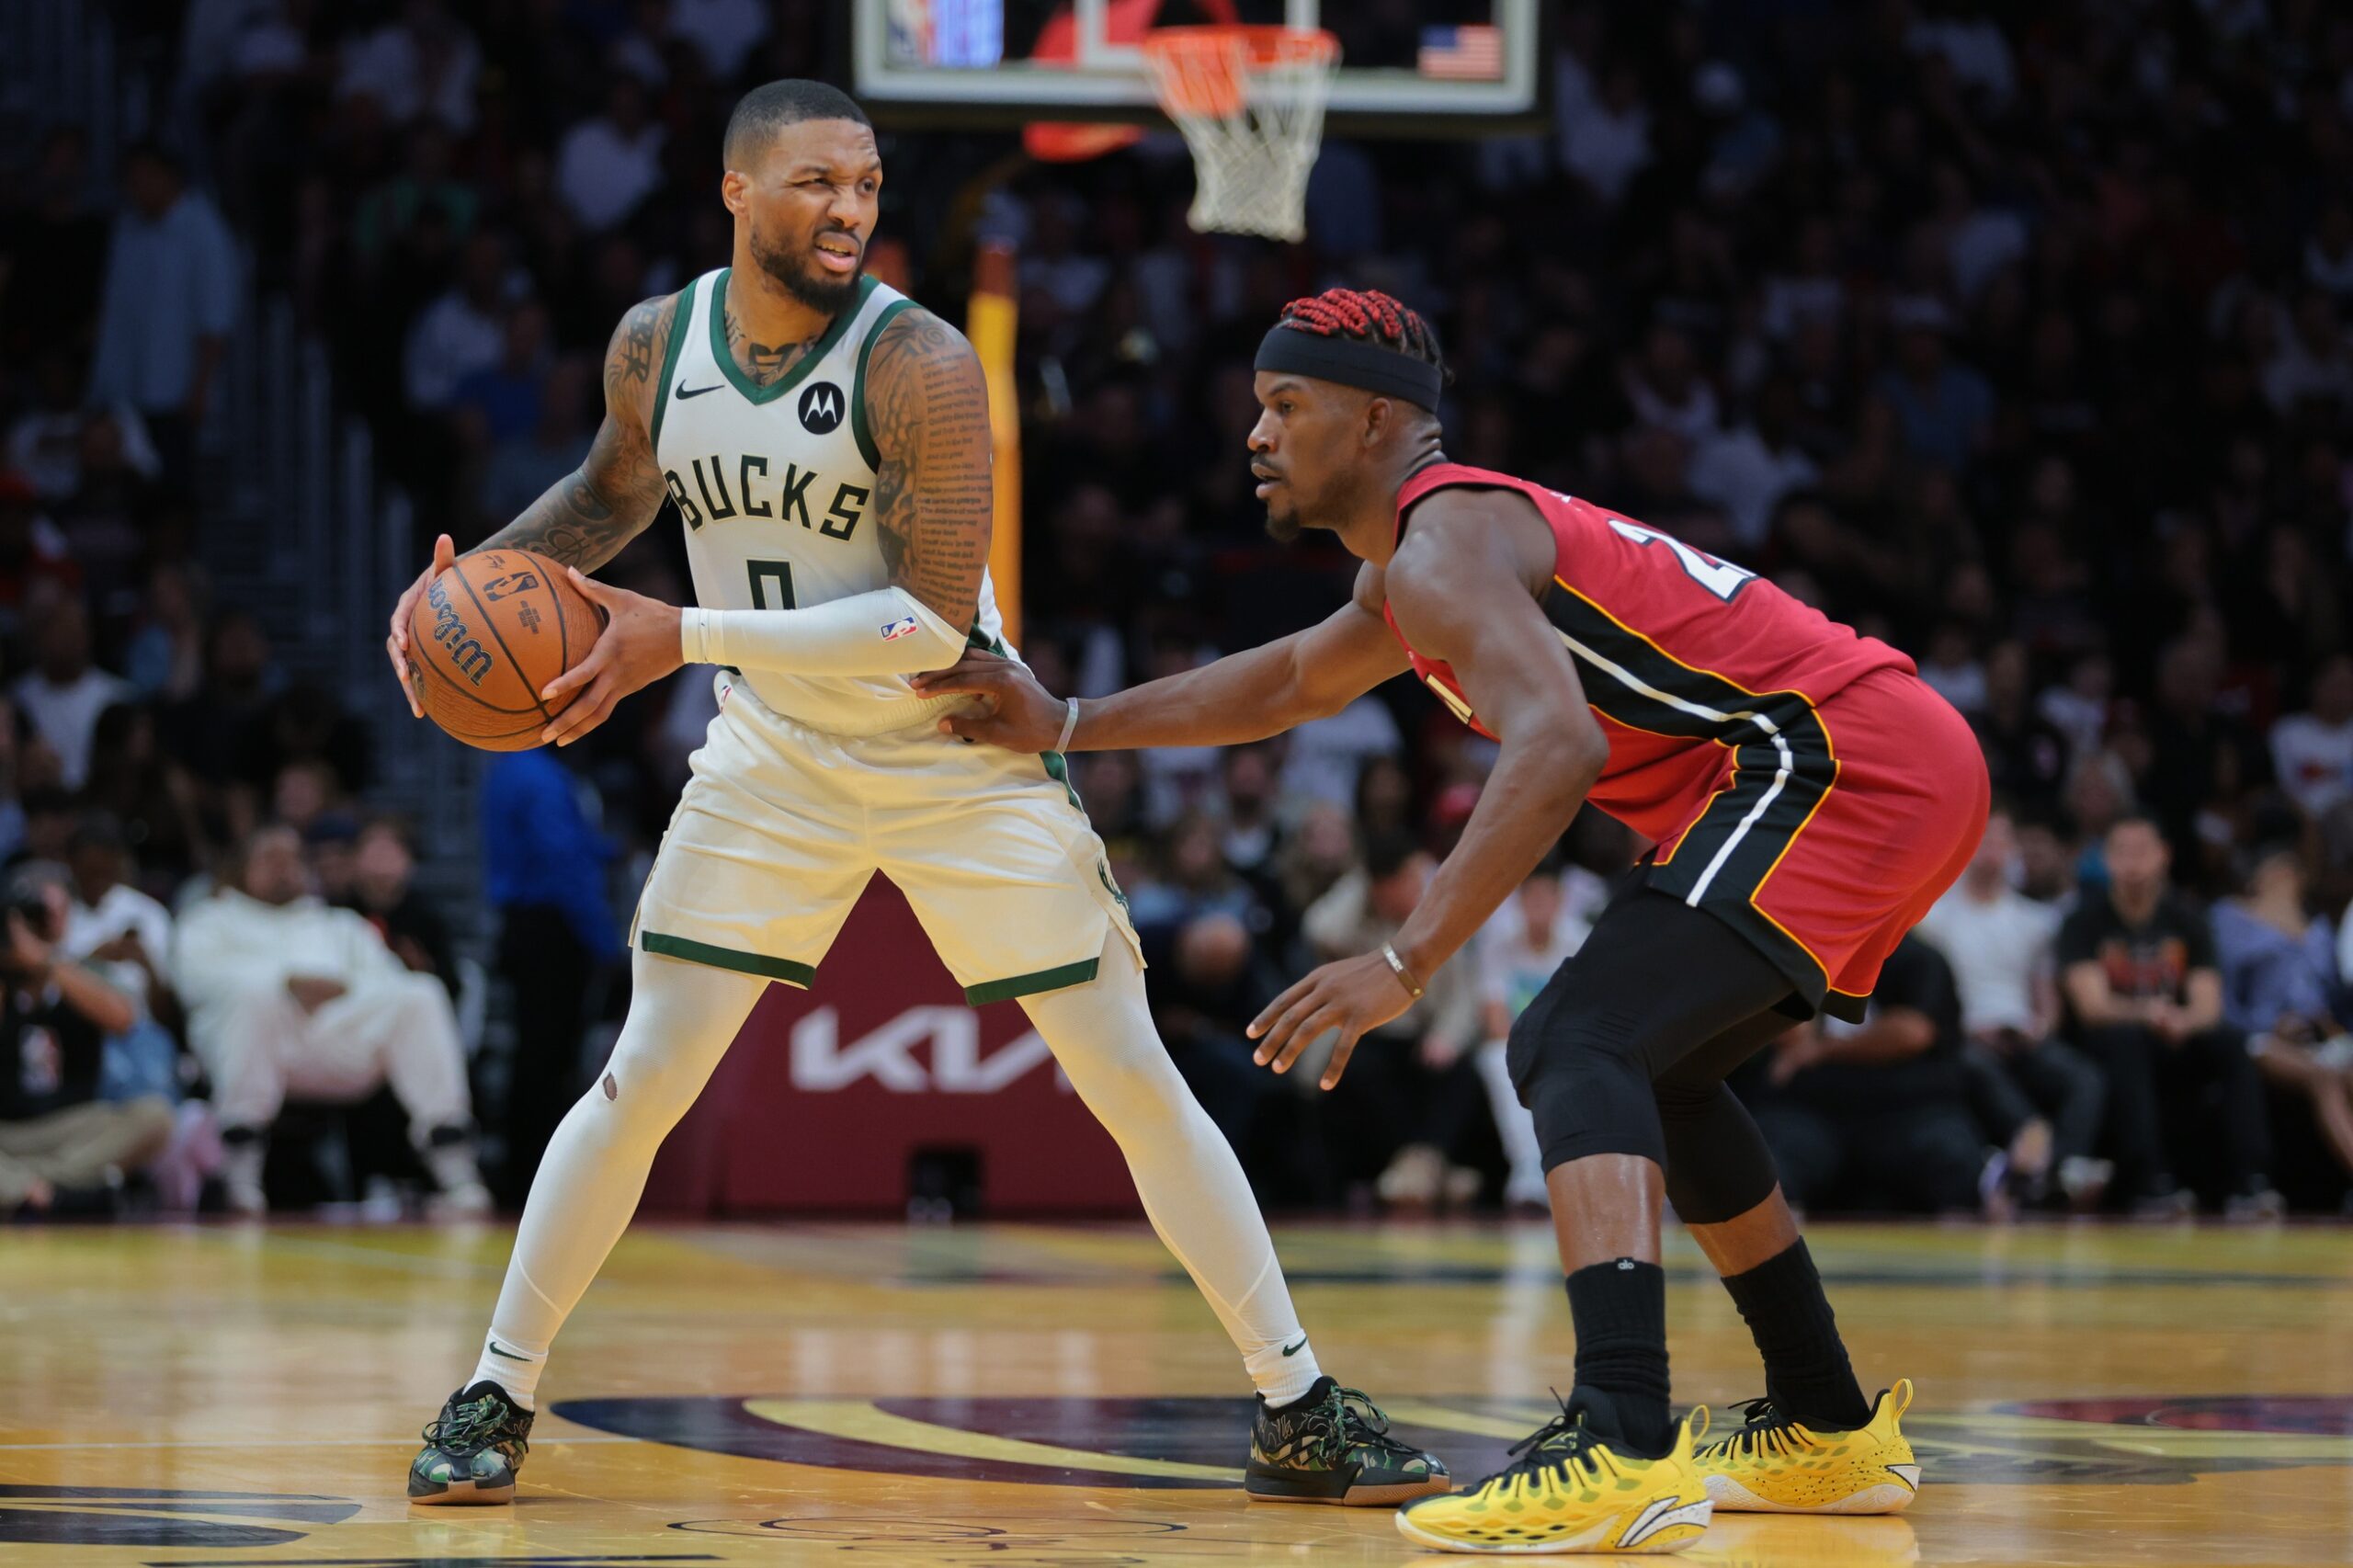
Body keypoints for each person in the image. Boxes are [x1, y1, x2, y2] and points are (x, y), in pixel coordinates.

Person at [382, 85, 1445, 1512]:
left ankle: (1298, 1403)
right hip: (774, 761)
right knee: (643, 1078)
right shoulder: (659, 342)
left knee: (1127, 1076)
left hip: (958, 749)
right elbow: (607, 494)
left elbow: (931, 625)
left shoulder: (922, 364)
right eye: (816, 181)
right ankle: (498, 1387)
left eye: (869, 185)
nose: (849, 211)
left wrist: (675, 640)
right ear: (737, 193)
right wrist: (455, 590)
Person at [921, 287, 1988, 1551]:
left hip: (1836, 761)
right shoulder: (1418, 562)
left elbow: (1559, 742)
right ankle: (1825, 1428)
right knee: (1664, 1075)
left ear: (1375, 423)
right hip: (1858, 759)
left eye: (1285, 405)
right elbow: (1287, 679)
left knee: (1575, 1040)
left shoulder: (1444, 549)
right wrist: (1073, 721)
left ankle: (1622, 1439)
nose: (1255, 433)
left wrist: (1404, 956)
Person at [171, 826, 490, 1217]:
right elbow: (192, 981)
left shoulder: (338, 924)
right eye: (271, 859)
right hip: (258, 1042)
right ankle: (241, 1178)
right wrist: (284, 983)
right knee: (254, 999)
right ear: (242, 867)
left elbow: (387, 980)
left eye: (291, 860)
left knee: (420, 994)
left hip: (337, 1043)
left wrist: (338, 989)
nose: (283, 869)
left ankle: (455, 1170)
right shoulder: (210, 920)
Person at [2055, 816, 2278, 1218]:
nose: (2132, 863)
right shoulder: (2083, 920)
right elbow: (2093, 1007)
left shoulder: (2187, 918)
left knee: (2230, 1042)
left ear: (2164, 856)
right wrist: (2150, 1013)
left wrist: (2181, 1021)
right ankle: (2150, 1181)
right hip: (2109, 1041)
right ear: (2106, 860)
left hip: (2174, 1036)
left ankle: (2250, 1181)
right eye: (2122, 852)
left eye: (2142, 851)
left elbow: (2208, 1006)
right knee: (2126, 1040)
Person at [1915, 806, 2106, 1207]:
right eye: (1984, 837)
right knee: (1974, 1064)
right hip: (1964, 1036)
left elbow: (2047, 1001)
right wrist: (1965, 1030)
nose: (1992, 847)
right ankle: (2031, 1135)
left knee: (2083, 1078)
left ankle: (2059, 1172)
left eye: (2001, 837)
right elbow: (1930, 998)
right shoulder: (1933, 917)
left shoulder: (2037, 921)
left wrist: (2039, 1030)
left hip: (2020, 1033)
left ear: (2014, 847)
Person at [1746, 934, 1991, 1213]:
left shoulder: (1918, 957)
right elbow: (1788, 1033)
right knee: (1770, 1165)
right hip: (1813, 1108)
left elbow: (1912, 1033)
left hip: (1907, 1106)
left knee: (1952, 1158)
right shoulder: (1803, 950)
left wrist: (1824, 1049)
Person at [0, 865, 167, 1217]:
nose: (43, 923)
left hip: (76, 1127)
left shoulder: (82, 972)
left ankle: (31, 1189)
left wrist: (46, 962)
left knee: (156, 1117)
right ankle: (68, 1191)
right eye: (32, 914)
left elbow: (124, 1019)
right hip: (7, 1132)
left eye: (54, 913)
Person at [2211, 844, 2353, 1193]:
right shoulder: (2231, 918)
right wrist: (2267, 1025)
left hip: (2319, 1038)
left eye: (2293, 871)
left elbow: (2334, 994)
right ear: (2258, 878)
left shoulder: (2318, 929)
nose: (2285, 877)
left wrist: (2330, 1026)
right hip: (2260, 1036)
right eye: (2277, 870)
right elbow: (2223, 999)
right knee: (2325, 1080)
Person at [1473, 862, 1596, 1209]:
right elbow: (1494, 1014)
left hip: (1566, 1043)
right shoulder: (1497, 942)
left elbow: (1584, 1014)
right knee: (1497, 1061)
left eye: (1547, 897)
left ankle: (1564, 1166)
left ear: (1560, 901)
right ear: (1519, 900)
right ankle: (1528, 1167)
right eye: (1532, 897)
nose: (1539, 905)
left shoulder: (1581, 940)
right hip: (1514, 1043)